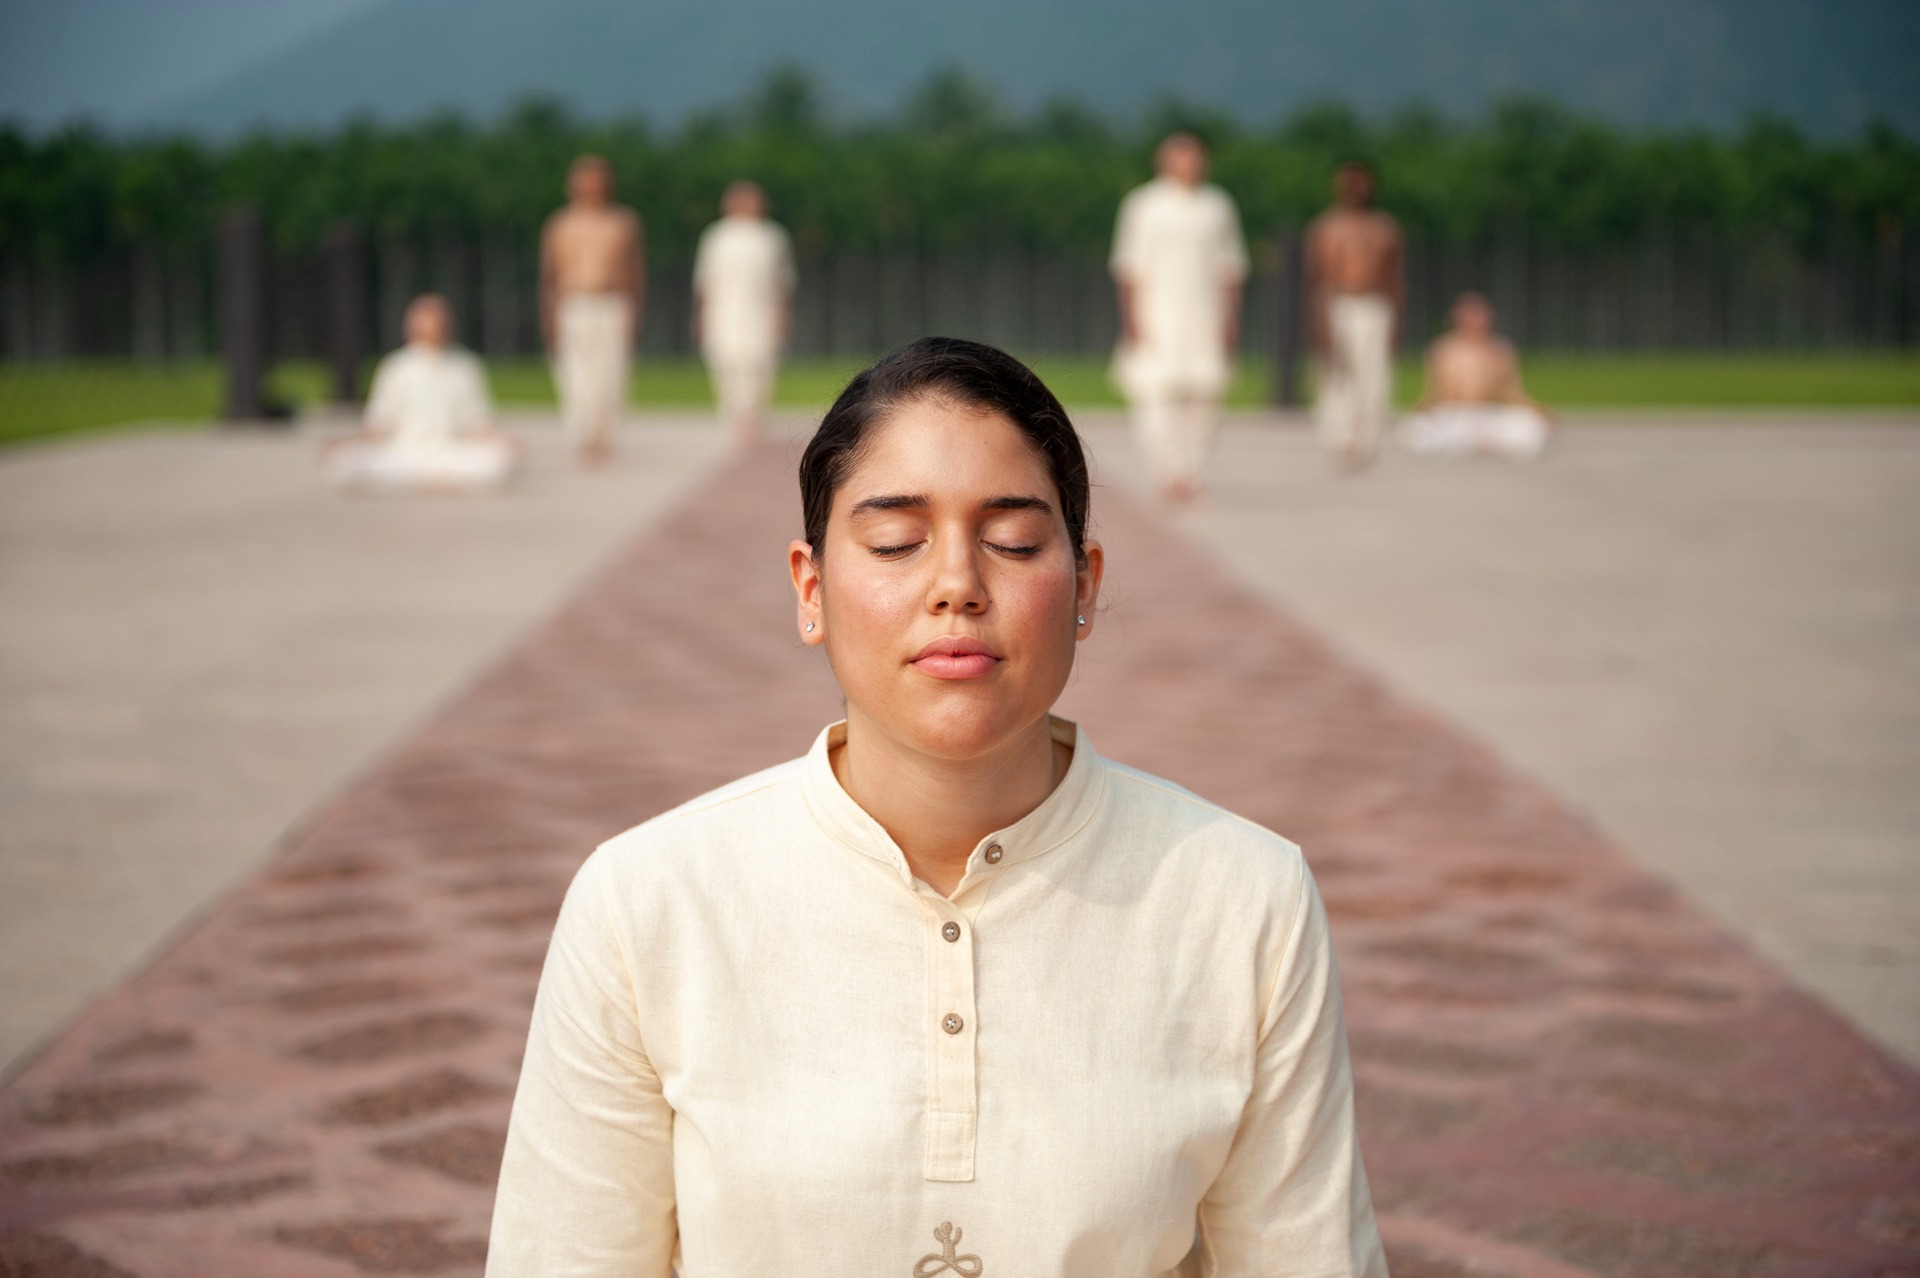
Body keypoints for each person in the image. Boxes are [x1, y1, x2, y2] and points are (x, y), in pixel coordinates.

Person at [488, 337, 1387, 1277]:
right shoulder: (649, 903)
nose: (957, 584)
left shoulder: (1241, 897)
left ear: (1084, 584)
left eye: (1012, 540)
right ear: (811, 587)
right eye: (895, 542)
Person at [1109, 132, 1249, 502]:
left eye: (1195, 156)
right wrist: (1132, 321)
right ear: (1164, 160)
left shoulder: (1217, 206)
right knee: (1155, 396)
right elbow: (1128, 267)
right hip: (1157, 315)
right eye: (1181, 155)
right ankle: (1166, 472)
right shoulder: (1143, 205)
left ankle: (1192, 470)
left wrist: (1231, 317)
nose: (1189, 163)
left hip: (1206, 315)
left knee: (1205, 398)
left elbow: (1230, 267)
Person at [320, 294, 519, 493]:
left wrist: (503, 441)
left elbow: (476, 423)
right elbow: (378, 425)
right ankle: (427, 481)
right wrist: (346, 440)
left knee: (499, 461)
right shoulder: (395, 366)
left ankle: (417, 482)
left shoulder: (465, 366)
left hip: (449, 453)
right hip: (402, 454)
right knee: (341, 463)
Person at [540, 154, 643, 466]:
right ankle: (582, 433)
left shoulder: (623, 222)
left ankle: (605, 434)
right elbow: (549, 274)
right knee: (575, 373)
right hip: (573, 302)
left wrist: (636, 310)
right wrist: (549, 314)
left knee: (611, 372)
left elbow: (636, 271)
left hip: (612, 302)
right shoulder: (561, 223)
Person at [1305, 161, 1404, 472]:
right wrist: (1319, 320)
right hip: (1338, 303)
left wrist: (1396, 319)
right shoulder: (1326, 228)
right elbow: (1315, 278)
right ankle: (1340, 438)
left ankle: (1368, 438)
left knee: (1373, 376)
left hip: (1374, 305)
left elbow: (1395, 277)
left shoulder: (1384, 228)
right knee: (1337, 376)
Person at [693, 180, 796, 446]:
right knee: (727, 363)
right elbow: (706, 280)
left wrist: (783, 315)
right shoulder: (717, 236)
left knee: (759, 365)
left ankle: (753, 416)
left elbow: (782, 282)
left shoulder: (772, 236)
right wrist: (701, 315)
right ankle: (734, 416)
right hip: (724, 313)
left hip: (762, 313)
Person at [1400, 292, 1552, 459]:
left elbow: (1512, 391)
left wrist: (1537, 409)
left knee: (1530, 425)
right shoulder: (1444, 349)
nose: (1474, 320)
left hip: (1487, 414)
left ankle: (1477, 443)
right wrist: (1420, 409)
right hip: (1454, 415)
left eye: (1478, 314)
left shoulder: (1501, 349)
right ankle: (1471, 443)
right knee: (1413, 429)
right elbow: (1434, 392)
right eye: (1469, 314)